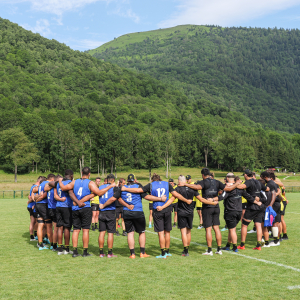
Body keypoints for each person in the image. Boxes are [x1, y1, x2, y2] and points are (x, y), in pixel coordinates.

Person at [123, 173, 189, 258]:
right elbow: (176, 195)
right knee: (167, 232)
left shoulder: (151, 185)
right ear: (160, 179)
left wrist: (125, 188)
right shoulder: (167, 183)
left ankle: (162, 253)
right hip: (168, 209)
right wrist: (186, 200)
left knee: (161, 232)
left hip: (157, 209)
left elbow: (138, 191)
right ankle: (167, 251)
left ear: (152, 180)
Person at [105, 174, 168, 258]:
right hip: (138, 212)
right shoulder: (138, 186)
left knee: (130, 233)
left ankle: (132, 254)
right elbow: (146, 196)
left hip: (127, 212)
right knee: (141, 232)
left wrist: (103, 205)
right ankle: (142, 253)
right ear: (135, 180)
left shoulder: (122, 187)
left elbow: (114, 198)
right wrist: (160, 199)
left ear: (127, 180)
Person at [59, 167, 115, 257]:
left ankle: (75, 252)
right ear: (89, 174)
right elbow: (99, 193)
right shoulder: (90, 183)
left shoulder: (75, 181)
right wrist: (110, 186)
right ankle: (85, 252)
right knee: (85, 230)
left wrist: (60, 181)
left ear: (81, 172)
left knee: (76, 230)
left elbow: (64, 188)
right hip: (85, 207)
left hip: (75, 207)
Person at [158, 175, 216, 257]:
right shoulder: (192, 189)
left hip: (181, 212)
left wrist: (162, 207)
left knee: (183, 232)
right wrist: (213, 203)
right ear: (185, 181)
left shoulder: (177, 189)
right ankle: (186, 249)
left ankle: (185, 251)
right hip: (190, 212)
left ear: (179, 181)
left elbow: (171, 200)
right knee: (188, 231)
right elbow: (202, 199)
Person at [180, 168, 231, 255]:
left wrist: (185, 184)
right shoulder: (217, 181)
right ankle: (219, 249)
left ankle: (209, 250)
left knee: (208, 229)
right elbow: (226, 189)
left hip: (207, 207)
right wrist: (218, 198)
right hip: (216, 206)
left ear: (203, 175)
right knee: (216, 228)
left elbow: (197, 187)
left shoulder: (204, 182)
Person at [217, 174, 259, 252]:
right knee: (232, 229)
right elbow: (248, 196)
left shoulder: (228, 189)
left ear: (227, 178)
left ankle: (235, 247)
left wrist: (212, 199)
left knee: (232, 230)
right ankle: (228, 246)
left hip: (230, 211)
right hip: (239, 212)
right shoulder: (240, 189)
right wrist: (256, 202)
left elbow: (221, 197)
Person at [228, 169, 268, 250]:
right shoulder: (258, 182)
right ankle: (258, 245)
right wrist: (258, 196)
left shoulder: (249, 182)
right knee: (258, 225)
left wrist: (234, 185)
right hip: (260, 206)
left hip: (252, 206)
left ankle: (242, 245)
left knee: (244, 224)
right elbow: (267, 189)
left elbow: (242, 186)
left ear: (246, 175)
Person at [48, 170, 74, 255]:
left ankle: (59, 249)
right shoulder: (70, 182)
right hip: (66, 206)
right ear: (71, 175)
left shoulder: (59, 182)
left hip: (58, 206)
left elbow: (50, 184)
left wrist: (57, 181)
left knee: (60, 227)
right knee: (67, 228)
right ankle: (66, 249)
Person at [97, 174, 119, 258]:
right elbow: (113, 198)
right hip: (110, 211)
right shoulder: (113, 187)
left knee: (102, 232)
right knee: (110, 233)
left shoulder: (101, 187)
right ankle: (110, 253)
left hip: (102, 212)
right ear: (113, 180)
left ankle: (101, 253)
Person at [33, 174, 56, 250]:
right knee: (49, 226)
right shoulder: (47, 184)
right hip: (44, 206)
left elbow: (35, 192)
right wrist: (39, 198)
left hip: (38, 206)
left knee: (40, 225)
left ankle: (40, 244)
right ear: (52, 179)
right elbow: (43, 195)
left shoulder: (41, 184)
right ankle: (53, 244)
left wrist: (36, 200)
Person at [260, 171, 282, 246]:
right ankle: (276, 240)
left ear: (265, 177)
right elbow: (277, 191)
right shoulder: (273, 183)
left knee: (274, 222)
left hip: (274, 204)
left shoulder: (270, 184)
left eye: (261, 177)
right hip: (276, 203)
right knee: (275, 222)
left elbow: (273, 194)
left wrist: (270, 204)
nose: (261, 178)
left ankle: (275, 241)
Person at [27, 176, 44, 241]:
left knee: (34, 221)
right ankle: (34, 236)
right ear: (39, 182)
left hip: (31, 206)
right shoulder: (36, 187)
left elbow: (30, 197)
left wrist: (29, 200)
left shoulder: (33, 186)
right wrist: (31, 201)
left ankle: (33, 235)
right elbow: (33, 198)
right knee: (35, 221)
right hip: (32, 206)